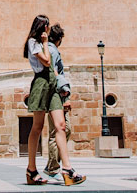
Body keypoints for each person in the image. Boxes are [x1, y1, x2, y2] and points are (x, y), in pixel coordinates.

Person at [23, 15, 85, 186]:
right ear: (42, 27)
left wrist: (63, 89)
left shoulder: (45, 44)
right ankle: (31, 170)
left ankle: (67, 169)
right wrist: (44, 42)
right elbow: (47, 62)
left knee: (61, 126)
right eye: (46, 26)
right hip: (41, 83)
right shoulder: (32, 43)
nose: (48, 30)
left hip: (53, 86)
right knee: (37, 127)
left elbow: (55, 70)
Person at [44, 24, 72, 179]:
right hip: (56, 94)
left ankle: (55, 165)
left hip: (54, 93)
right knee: (61, 129)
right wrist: (64, 94)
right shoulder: (52, 50)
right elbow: (54, 72)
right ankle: (55, 166)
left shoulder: (48, 49)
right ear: (59, 39)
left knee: (62, 129)